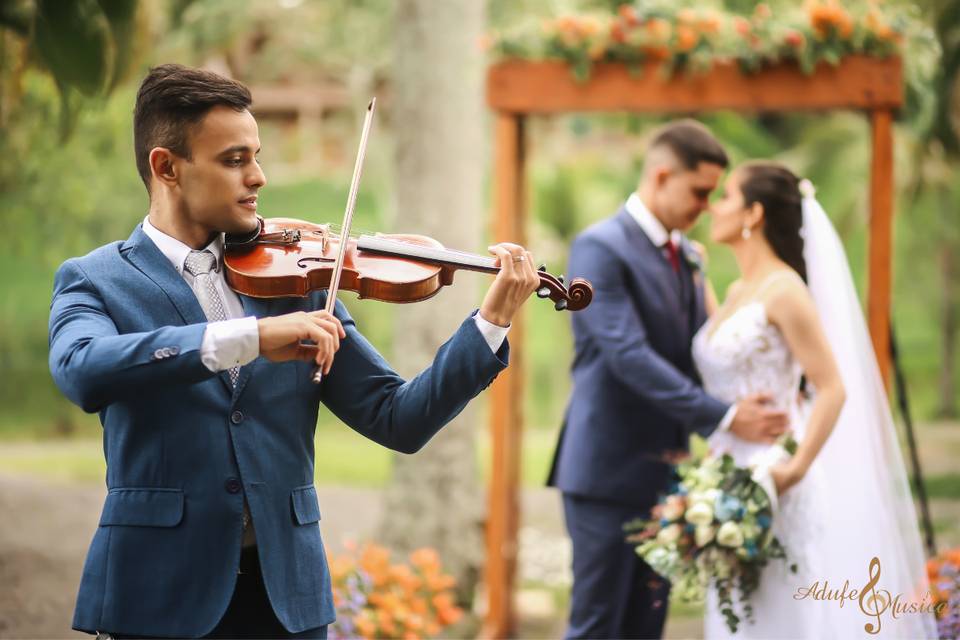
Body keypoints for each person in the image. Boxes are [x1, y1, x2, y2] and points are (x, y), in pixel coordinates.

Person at [48, 64, 540, 639]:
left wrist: (491, 320)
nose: (257, 177)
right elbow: (81, 369)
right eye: (234, 160)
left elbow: (398, 418)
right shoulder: (96, 279)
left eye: (256, 155)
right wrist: (250, 340)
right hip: (157, 594)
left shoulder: (298, 278)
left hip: (286, 598)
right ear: (167, 167)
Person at [547, 120, 790, 639]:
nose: (707, 206)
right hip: (606, 475)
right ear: (661, 176)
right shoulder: (599, 247)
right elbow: (627, 355)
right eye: (700, 192)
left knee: (645, 626)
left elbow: (699, 352)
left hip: (671, 477)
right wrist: (725, 418)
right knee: (597, 625)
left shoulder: (689, 256)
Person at [696, 161, 937, 638]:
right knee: (736, 618)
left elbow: (833, 387)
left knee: (774, 617)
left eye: (726, 196)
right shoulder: (739, 289)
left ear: (754, 213)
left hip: (775, 477)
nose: (714, 206)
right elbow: (721, 358)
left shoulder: (785, 290)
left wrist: (795, 468)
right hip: (723, 475)